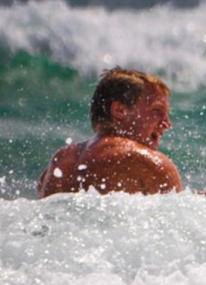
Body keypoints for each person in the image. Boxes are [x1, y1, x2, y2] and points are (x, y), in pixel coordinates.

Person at [37, 67, 183, 197]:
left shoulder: (59, 162)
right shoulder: (149, 162)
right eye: (157, 111)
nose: (167, 124)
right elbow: (177, 222)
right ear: (120, 110)